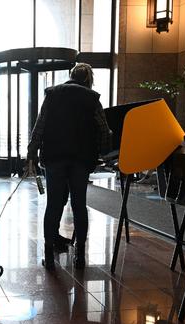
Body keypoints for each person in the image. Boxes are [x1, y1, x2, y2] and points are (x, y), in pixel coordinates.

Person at [27, 63, 112, 270]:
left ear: (71, 75)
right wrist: (103, 152)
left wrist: (31, 152)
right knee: (79, 204)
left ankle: (48, 254)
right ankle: (80, 255)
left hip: (55, 158)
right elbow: (103, 130)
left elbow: (40, 125)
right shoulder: (92, 99)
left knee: (54, 204)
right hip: (81, 159)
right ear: (87, 79)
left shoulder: (53, 94)